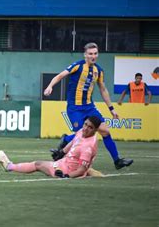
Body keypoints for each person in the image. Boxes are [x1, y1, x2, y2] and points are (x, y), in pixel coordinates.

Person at [44, 42, 134, 170]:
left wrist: (112, 109)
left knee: (105, 131)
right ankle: (65, 144)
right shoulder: (77, 66)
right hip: (75, 108)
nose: (93, 56)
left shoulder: (99, 70)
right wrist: (50, 86)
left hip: (90, 107)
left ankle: (117, 161)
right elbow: (60, 76)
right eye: (90, 54)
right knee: (83, 134)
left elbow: (103, 89)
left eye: (95, 53)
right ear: (85, 55)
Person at [0, 116, 103, 178]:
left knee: (37, 164)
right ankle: (89, 171)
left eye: (90, 127)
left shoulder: (87, 148)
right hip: (65, 163)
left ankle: (9, 167)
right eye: (85, 124)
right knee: (86, 169)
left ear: (95, 130)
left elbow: (80, 171)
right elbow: (74, 142)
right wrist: (62, 152)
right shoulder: (81, 132)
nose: (85, 128)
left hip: (65, 170)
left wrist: (67, 176)